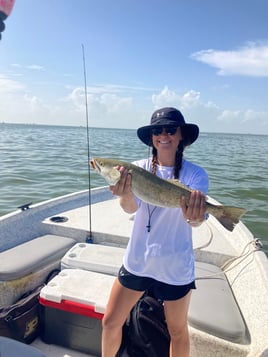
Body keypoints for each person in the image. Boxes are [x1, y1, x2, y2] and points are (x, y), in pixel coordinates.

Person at [102, 107, 208, 357]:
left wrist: (196, 217)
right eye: (157, 131)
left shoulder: (195, 175)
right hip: (138, 260)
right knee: (109, 321)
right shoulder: (134, 169)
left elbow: (196, 220)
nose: (164, 135)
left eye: (170, 129)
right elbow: (130, 208)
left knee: (178, 330)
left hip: (175, 265)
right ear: (151, 138)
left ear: (181, 135)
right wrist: (126, 193)